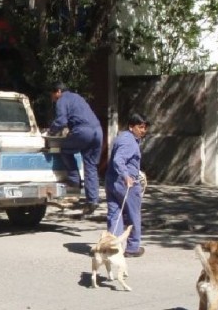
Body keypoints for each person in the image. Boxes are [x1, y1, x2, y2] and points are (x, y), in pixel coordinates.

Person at [48, 82, 103, 215]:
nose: (53, 98)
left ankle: (74, 182)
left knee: (64, 149)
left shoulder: (62, 100)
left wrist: (50, 132)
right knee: (90, 166)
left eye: (52, 95)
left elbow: (61, 121)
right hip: (98, 131)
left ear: (58, 91)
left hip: (84, 132)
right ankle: (92, 201)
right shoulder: (78, 97)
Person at [105, 113, 149, 257]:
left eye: (145, 127)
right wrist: (126, 176)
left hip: (112, 182)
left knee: (115, 214)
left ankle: (113, 247)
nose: (143, 130)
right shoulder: (129, 141)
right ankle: (132, 248)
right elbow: (119, 160)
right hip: (126, 183)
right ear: (131, 127)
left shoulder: (123, 137)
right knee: (133, 215)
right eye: (140, 127)